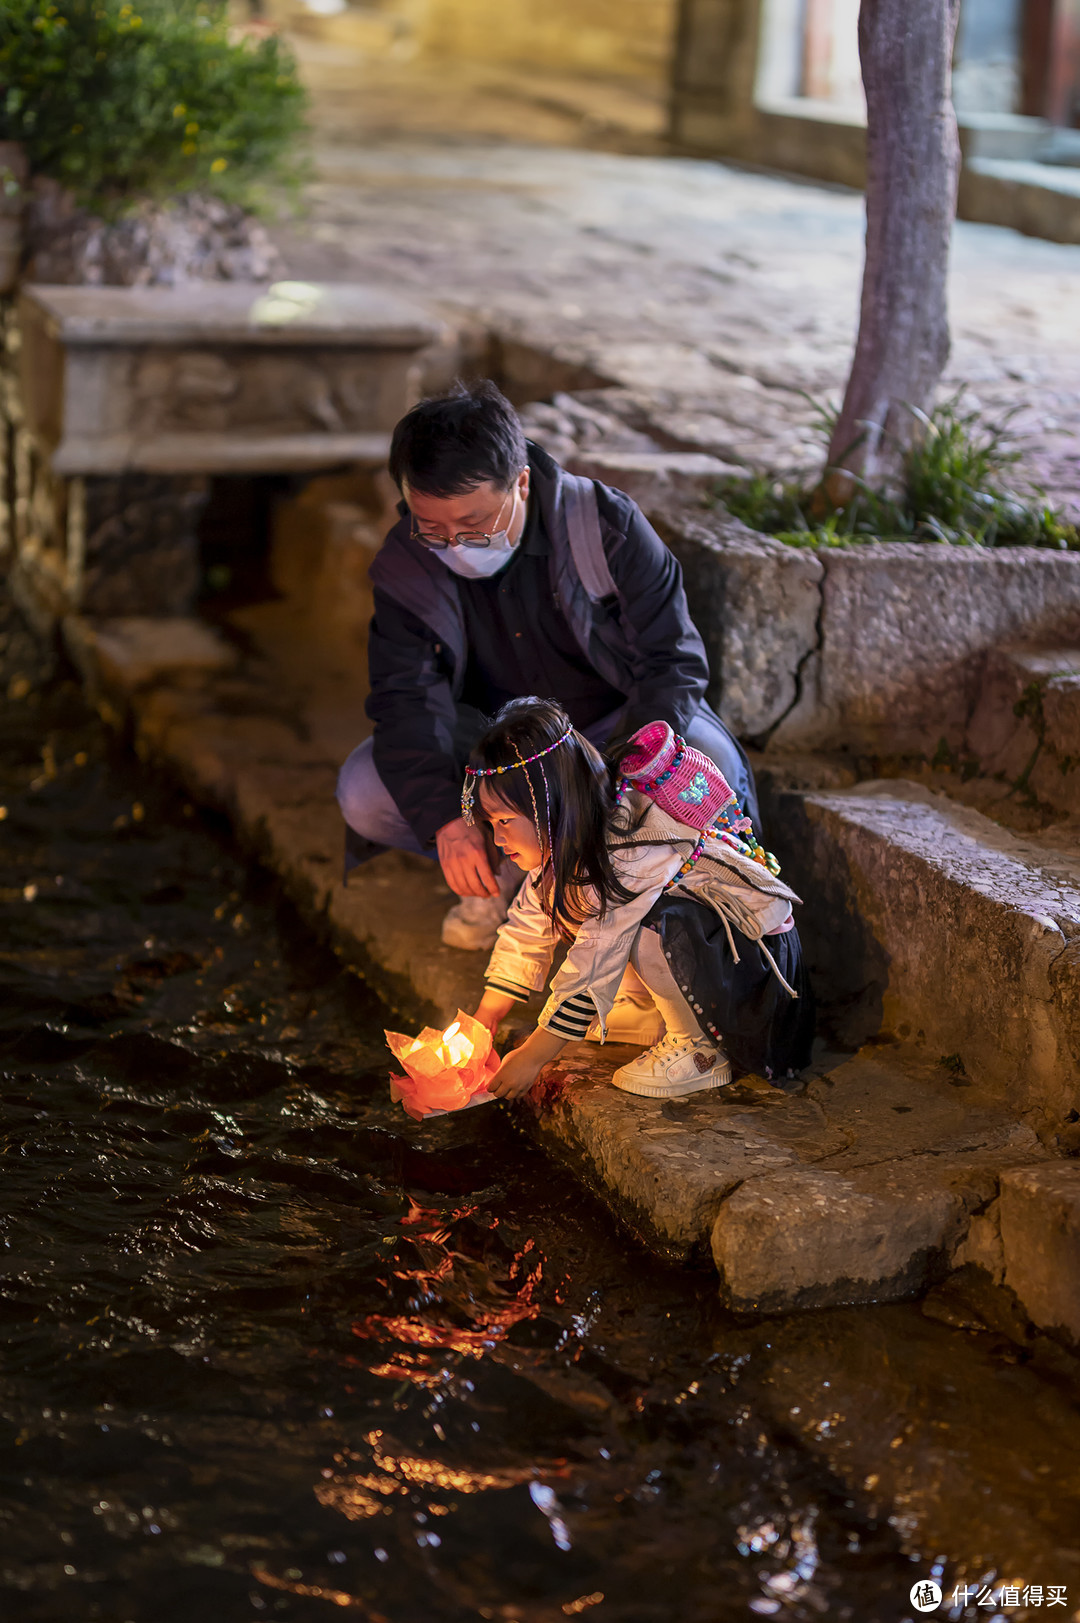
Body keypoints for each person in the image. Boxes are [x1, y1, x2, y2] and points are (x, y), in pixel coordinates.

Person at [336, 379, 760, 953]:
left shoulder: (602, 525)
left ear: (523, 482)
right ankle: (510, 878)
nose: (456, 544)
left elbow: (672, 661)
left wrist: (630, 776)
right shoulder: (407, 564)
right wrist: (447, 821)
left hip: (615, 730)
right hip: (493, 749)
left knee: (711, 769)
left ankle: (650, 911)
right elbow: (405, 700)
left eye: (476, 523)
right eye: (432, 527)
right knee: (366, 792)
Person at [466, 697, 814, 1101]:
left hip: (757, 986)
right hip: (715, 965)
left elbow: (595, 956)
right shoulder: (563, 846)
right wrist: (485, 1018)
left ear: (550, 806)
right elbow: (527, 927)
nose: (498, 838)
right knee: (610, 920)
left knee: (640, 928)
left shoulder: (627, 844)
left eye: (505, 821)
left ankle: (699, 1047)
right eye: (490, 823)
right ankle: (650, 1008)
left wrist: (534, 1055)